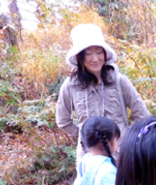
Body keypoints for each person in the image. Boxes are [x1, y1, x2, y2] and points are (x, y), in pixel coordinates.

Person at [56, 23, 150, 163]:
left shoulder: (119, 81)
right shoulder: (71, 85)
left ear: (105, 54)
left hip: (121, 157)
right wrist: (85, 136)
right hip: (89, 159)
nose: (95, 59)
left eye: (99, 52)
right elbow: (63, 121)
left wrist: (128, 138)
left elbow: (142, 115)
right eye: (88, 54)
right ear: (80, 57)